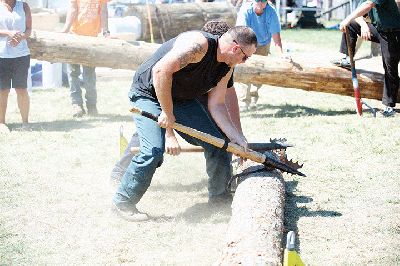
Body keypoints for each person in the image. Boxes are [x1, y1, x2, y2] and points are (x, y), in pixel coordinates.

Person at [112, 26, 257, 221]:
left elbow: (217, 104)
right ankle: (122, 203)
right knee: (153, 150)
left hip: (181, 98)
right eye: (245, 57)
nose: (244, 62)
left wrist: (236, 137)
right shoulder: (198, 46)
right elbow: (161, 71)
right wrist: (169, 125)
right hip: (150, 93)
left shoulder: (227, 66)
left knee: (220, 144)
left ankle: (220, 200)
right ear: (235, 48)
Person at [337, 0, 400, 117]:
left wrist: (347, 18)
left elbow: (368, 6)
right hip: (380, 30)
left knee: (390, 69)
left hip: (394, 34)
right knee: (351, 24)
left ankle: (390, 106)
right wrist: (364, 25)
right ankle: (345, 58)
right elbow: (359, 12)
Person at [235, 0, 290, 111]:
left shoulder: (271, 12)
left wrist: (281, 54)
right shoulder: (245, 10)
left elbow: (276, 37)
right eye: (258, 0)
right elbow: (241, 33)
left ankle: (254, 98)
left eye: (263, 1)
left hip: (263, 43)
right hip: (247, 42)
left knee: (258, 73)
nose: (260, 3)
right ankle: (243, 102)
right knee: (244, 70)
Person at [61, 0, 109, 117]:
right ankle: (76, 105)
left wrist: (106, 31)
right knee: (73, 73)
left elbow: (103, 11)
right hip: (74, 36)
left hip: (92, 38)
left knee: (89, 75)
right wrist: (65, 30)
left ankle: (92, 106)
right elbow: (73, 9)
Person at [0, 0, 32, 132]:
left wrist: (21, 37)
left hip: (21, 55)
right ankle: (1, 123)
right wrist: (9, 33)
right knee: (2, 91)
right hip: (2, 55)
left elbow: (29, 29)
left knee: (22, 90)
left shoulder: (24, 5)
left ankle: (25, 123)